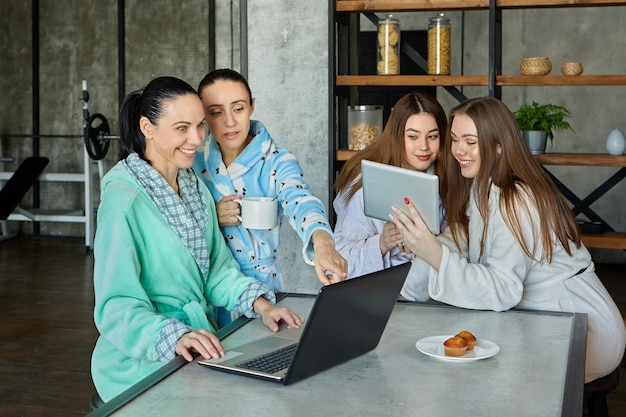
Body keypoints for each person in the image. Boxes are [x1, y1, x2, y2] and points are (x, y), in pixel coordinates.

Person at [91, 76, 304, 402]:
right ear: (147, 127)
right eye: (182, 128)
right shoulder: (124, 199)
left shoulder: (192, 186)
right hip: (139, 361)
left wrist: (262, 306)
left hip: (198, 342)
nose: (197, 139)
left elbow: (217, 273)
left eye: (200, 126)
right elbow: (115, 307)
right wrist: (177, 336)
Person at [392, 96, 625, 383]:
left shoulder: (516, 199)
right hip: (538, 315)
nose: (458, 151)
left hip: (579, 322)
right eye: (454, 140)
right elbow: (458, 239)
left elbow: (502, 289)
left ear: (498, 145)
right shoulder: (482, 187)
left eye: (470, 141)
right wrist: (404, 288)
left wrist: (434, 253)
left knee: (477, 378)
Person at [192, 68, 348, 319]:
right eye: (216, 112)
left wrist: (323, 243)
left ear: (252, 106)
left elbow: (300, 200)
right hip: (209, 292)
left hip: (264, 290)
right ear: (202, 114)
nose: (230, 122)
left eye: (239, 108)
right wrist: (211, 216)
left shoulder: (278, 161)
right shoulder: (193, 163)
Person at [333, 92, 448, 278]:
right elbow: (337, 262)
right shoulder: (365, 185)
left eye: (432, 136)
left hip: (431, 300)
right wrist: (382, 243)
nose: (424, 146)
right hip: (376, 296)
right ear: (396, 136)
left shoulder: (450, 178)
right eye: (413, 137)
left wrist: (425, 247)